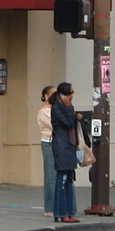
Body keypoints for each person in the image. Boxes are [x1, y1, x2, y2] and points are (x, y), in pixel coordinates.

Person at [49, 82, 86, 223]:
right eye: (70, 93)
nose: (72, 96)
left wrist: (73, 112)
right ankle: (61, 212)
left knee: (69, 180)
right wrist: (71, 110)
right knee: (62, 180)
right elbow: (68, 123)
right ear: (62, 95)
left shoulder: (66, 107)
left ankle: (69, 211)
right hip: (62, 146)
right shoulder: (57, 108)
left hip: (69, 145)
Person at [36, 86, 56, 213]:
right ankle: (50, 207)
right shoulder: (44, 111)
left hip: (58, 143)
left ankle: (58, 205)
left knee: (58, 175)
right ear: (46, 96)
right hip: (49, 142)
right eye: (54, 94)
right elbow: (55, 126)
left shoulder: (56, 109)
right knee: (51, 175)